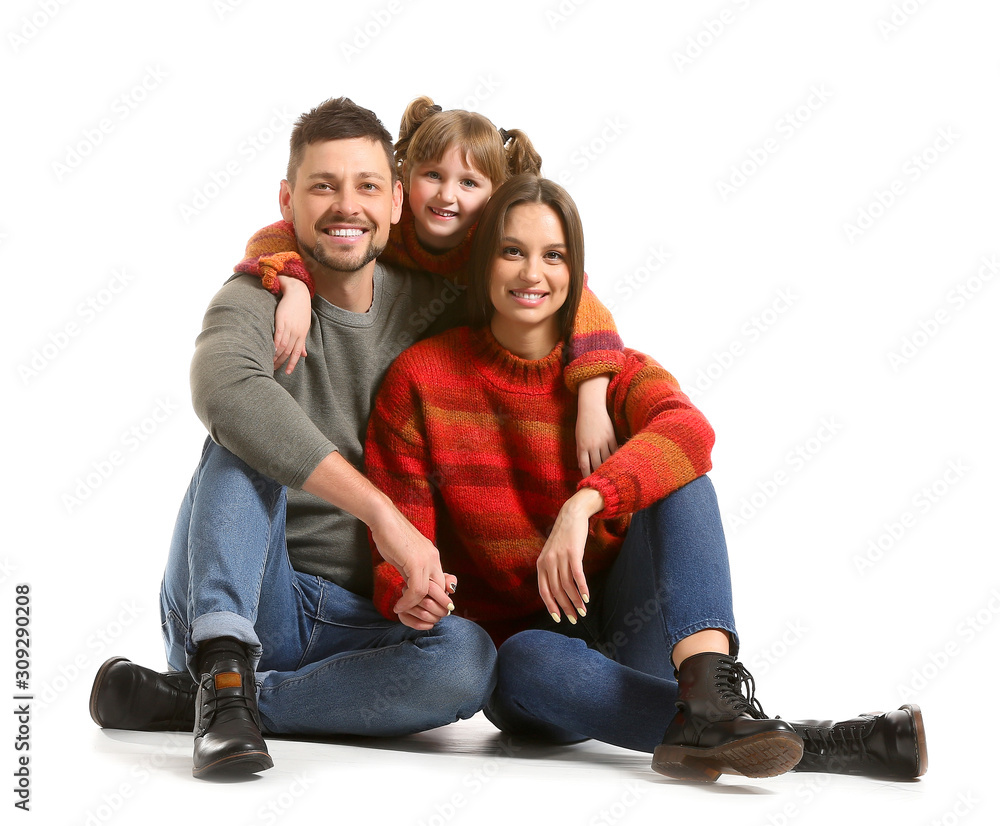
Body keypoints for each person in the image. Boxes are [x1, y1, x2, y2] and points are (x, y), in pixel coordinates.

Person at [364, 174, 929, 782]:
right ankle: (798, 740)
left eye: (553, 255)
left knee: (680, 473)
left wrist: (585, 501)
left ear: (576, 272)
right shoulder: (421, 379)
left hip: (640, 630)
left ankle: (711, 696)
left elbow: (691, 433)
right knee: (525, 659)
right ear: (482, 263)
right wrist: (407, 591)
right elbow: (399, 544)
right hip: (537, 671)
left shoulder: (613, 374)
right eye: (512, 251)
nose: (533, 273)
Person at [89, 97, 498, 779]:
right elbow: (224, 392)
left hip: (359, 619)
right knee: (244, 430)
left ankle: (228, 703)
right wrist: (381, 513)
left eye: (367, 186)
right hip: (250, 591)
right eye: (323, 186)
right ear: (288, 199)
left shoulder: (435, 307)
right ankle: (222, 671)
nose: (347, 205)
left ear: (397, 201)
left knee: (470, 660)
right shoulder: (255, 297)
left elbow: (544, 292)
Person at [234, 95, 625, 477]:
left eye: (469, 183)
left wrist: (592, 398)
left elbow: (581, 303)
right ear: (403, 181)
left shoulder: (494, 249)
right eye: (433, 175)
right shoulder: (387, 225)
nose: (446, 195)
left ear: (495, 198)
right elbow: (278, 234)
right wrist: (296, 283)